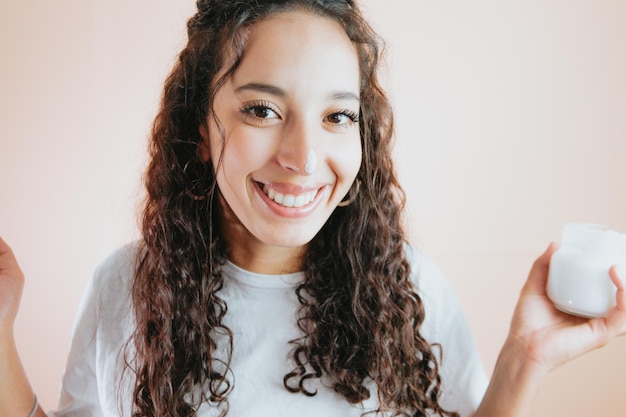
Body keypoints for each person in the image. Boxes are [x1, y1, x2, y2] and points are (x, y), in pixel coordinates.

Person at [1, 0, 625, 416]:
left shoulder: (408, 287)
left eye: (337, 116)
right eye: (262, 110)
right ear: (201, 124)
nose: (303, 156)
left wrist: (525, 359)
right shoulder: (124, 286)